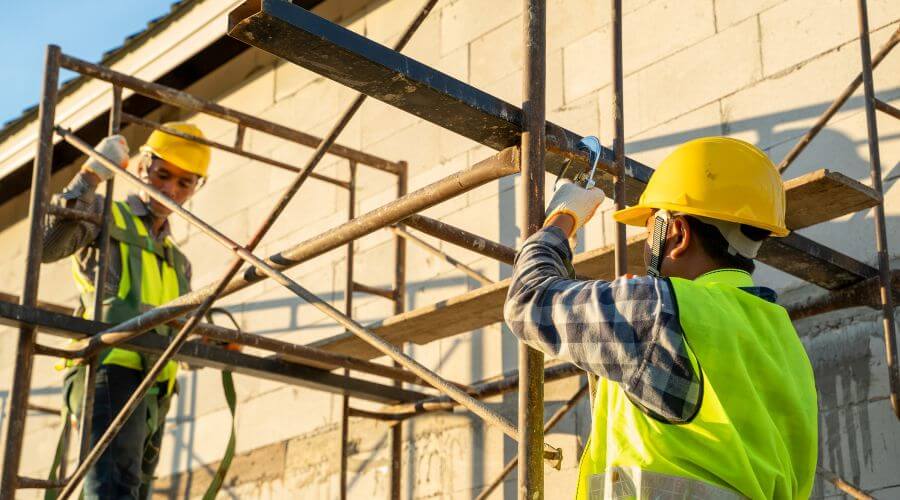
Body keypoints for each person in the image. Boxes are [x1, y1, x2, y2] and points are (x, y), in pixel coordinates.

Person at [503, 137, 817, 499]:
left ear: (679, 234)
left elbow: (528, 299)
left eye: (653, 230)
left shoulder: (659, 309)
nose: (648, 246)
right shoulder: (784, 341)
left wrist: (563, 219)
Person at [43, 123, 210, 499]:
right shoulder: (107, 214)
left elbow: (175, 322)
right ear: (141, 168)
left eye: (184, 183)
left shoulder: (178, 262)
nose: (170, 190)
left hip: (156, 386)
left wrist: (212, 338)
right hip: (108, 369)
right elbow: (46, 246)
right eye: (162, 175)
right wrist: (90, 176)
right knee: (110, 490)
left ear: (196, 188)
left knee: (130, 492)